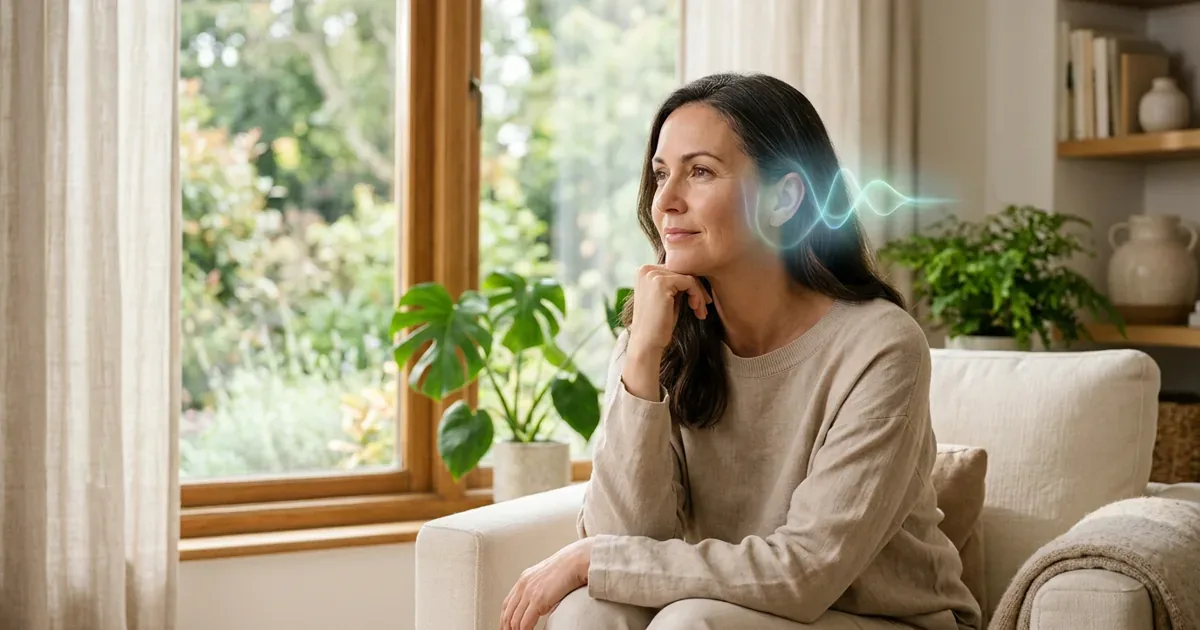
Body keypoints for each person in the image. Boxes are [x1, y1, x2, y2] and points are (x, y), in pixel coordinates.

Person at [498, 72, 982, 630]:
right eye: (660, 174)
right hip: (726, 610)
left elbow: (806, 573)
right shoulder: (658, 333)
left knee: (688, 623)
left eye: (699, 172)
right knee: (587, 609)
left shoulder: (880, 345)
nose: (666, 201)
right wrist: (642, 359)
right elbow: (626, 537)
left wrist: (593, 558)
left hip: (888, 619)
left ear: (785, 198)